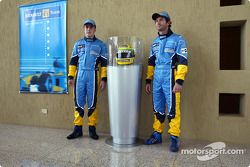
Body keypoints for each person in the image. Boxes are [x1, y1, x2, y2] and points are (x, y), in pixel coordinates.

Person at [144, 11, 188, 152]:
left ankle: (174, 137)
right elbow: (151, 63)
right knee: (157, 107)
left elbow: (183, 61)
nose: (158, 22)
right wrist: (148, 80)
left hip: (171, 77)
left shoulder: (178, 39)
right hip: (157, 77)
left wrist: (179, 81)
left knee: (173, 109)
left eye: (161, 19)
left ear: (169, 22)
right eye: (156, 20)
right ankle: (157, 134)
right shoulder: (155, 42)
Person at [67, 19, 108, 140]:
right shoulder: (77, 44)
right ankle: (77, 129)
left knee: (92, 103)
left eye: (91, 27)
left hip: (93, 76)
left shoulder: (101, 45)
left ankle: (92, 129)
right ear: (84, 29)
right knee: (78, 102)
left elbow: (105, 64)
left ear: (95, 29)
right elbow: (73, 61)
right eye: (86, 27)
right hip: (79, 76)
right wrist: (70, 76)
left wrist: (103, 79)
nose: (88, 29)